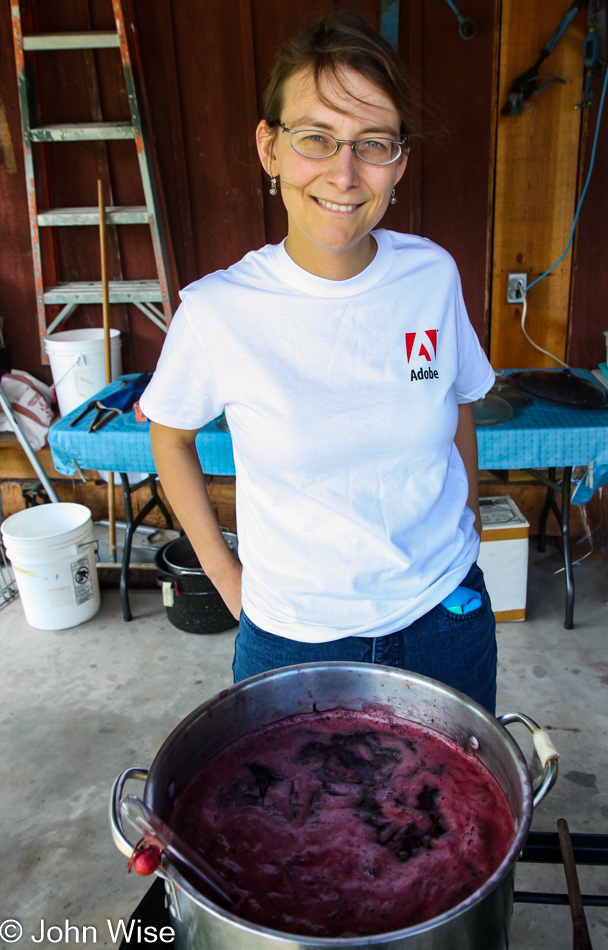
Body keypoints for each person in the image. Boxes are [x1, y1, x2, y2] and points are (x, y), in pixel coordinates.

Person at [140, 9, 498, 712]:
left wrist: (469, 518)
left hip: (444, 617)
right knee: (301, 822)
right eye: (315, 139)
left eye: (372, 143)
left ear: (399, 161)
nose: (343, 173)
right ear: (269, 147)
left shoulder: (430, 274)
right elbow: (170, 435)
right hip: (293, 636)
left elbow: (457, 399)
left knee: (452, 818)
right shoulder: (219, 310)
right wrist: (223, 572)